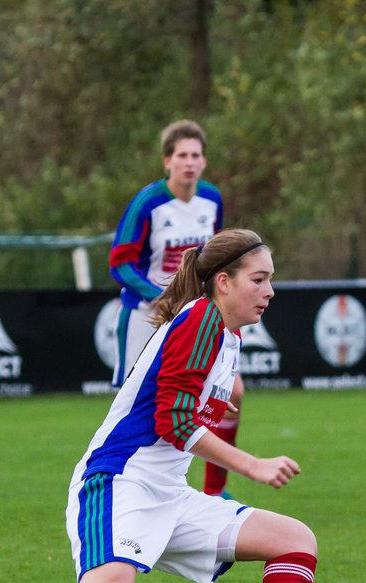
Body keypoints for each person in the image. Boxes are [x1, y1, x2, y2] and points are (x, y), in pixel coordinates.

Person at [0, 229, 359, 583]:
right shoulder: (200, 319)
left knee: (294, 540)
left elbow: (181, 405)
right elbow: (171, 422)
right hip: (117, 481)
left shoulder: (227, 336)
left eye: (271, 280)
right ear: (223, 281)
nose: (269, 291)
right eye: (259, 279)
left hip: (168, 493)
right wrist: (252, 465)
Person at [108, 119, 242, 498]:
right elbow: (120, 263)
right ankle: (123, 482)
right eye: (181, 155)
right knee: (136, 405)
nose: (189, 162)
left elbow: (216, 259)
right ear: (167, 161)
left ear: (204, 161)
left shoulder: (211, 200)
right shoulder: (148, 203)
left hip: (196, 316)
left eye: (196, 155)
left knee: (232, 391)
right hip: (146, 316)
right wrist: (160, 294)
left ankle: (215, 491)